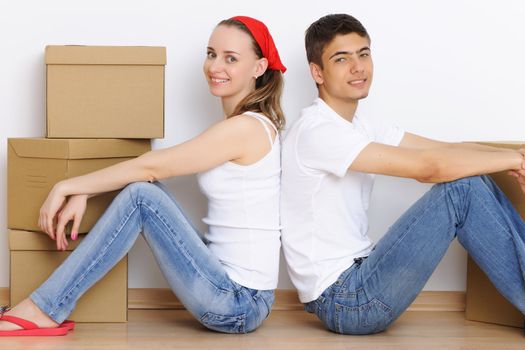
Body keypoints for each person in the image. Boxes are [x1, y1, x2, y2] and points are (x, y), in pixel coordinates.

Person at [0, 15, 286, 336]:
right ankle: (45, 306)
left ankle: (45, 308)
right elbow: (149, 170)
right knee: (142, 190)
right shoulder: (245, 125)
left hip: (237, 303)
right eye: (211, 54)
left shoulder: (245, 128)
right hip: (225, 283)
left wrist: (69, 186)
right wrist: (82, 191)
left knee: (142, 195)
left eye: (230, 58)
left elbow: (151, 167)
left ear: (259, 68)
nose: (214, 66)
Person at [280, 13, 525, 335]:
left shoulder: (360, 126)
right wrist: (510, 159)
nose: (358, 67)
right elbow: (430, 168)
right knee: (462, 189)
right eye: (342, 59)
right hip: (345, 301)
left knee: (473, 175)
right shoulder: (317, 131)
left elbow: (445, 149)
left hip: (362, 274)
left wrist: (515, 158)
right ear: (317, 72)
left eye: (363, 54)